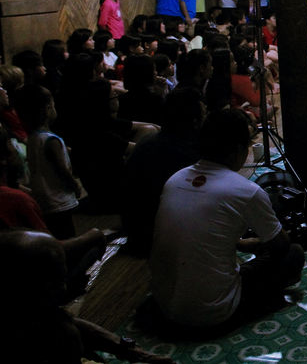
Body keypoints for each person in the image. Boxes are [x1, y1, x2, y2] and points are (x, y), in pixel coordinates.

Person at [149, 109, 305, 330]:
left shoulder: (175, 179)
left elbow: (196, 232)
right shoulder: (246, 191)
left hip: (165, 305)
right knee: (294, 254)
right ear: (239, 150)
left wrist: (239, 242)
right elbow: (281, 246)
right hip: (214, 311)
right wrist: (263, 242)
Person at [0, 229, 174, 364]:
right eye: (57, 282)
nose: (64, 287)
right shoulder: (57, 337)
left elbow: (63, 320)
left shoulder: (29, 312)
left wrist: (133, 351)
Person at [122, 88, 204, 257]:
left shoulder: (147, 143)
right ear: (195, 121)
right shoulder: (188, 152)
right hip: (162, 241)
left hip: (138, 235)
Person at [14, 84, 82, 239]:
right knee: (67, 233)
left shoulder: (32, 138)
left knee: (56, 233)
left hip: (43, 198)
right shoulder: (51, 140)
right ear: (48, 108)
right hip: (59, 198)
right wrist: (74, 185)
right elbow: (61, 169)